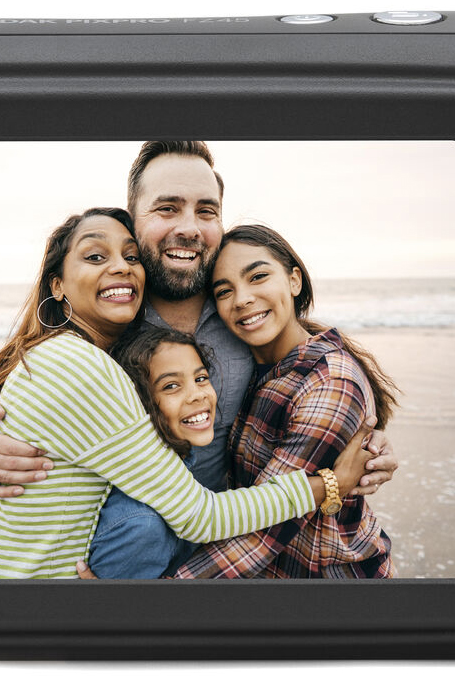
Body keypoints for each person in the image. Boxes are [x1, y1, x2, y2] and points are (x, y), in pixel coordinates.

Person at [0, 207, 375, 579]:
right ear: (57, 285)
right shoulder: (81, 365)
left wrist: (354, 411)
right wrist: (330, 485)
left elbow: (287, 342)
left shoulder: (86, 347)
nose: (121, 267)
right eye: (95, 256)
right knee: (144, 523)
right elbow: (200, 516)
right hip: (2, 595)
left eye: (130, 257)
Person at [0, 141, 398, 506]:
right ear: (132, 218)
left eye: (206, 211)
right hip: (126, 543)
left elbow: (305, 366)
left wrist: (365, 433)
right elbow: (19, 372)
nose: (189, 228)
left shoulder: (238, 306)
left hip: (227, 536)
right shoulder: (110, 311)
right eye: (167, 208)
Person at [170, 225, 398, 578]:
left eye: (258, 277)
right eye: (224, 291)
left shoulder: (330, 382)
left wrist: (158, 593)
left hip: (325, 580)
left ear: (294, 280)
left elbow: (265, 531)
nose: (242, 299)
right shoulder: (240, 365)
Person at [86, 326, 216, 578]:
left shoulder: (178, 476)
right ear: (138, 404)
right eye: (171, 386)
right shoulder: (142, 526)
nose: (197, 395)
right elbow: (112, 604)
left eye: (201, 378)